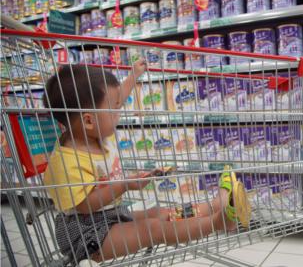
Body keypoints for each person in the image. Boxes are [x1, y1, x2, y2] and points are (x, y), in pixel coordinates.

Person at [42, 59, 239, 264]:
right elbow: (84, 206)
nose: (119, 112)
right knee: (152, 229)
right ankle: (220, 222)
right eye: (115, 109)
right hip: (86, 234)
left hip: (112, 216)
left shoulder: (97, 133)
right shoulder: (66, 161)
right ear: (89, 120)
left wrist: (133, 76)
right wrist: (125, 185)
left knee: (161, 213)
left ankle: (216, 205)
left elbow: (117, 97)